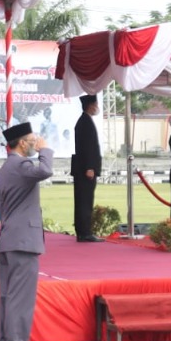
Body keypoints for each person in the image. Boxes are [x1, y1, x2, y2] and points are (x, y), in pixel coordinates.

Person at [0, 122, 52, 341]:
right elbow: (46, 171)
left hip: (10, 238)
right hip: (22, 241)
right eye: (31, 140)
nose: (34, 143)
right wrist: (45, 150)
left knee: (9, 297)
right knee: (20, 299)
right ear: (21, 143)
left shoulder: (6, 167)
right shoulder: (21, 165)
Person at [72, 94, 102, 241]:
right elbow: (87, 148)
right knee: (84, 201)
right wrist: (90, 167)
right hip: (85, 169)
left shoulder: (86, 121)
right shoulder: (85, 122)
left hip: (84, 168)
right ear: (91, 105)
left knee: (84, 200)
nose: (97, 107)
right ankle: (84, 232)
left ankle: (83, 230)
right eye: (96, 104)